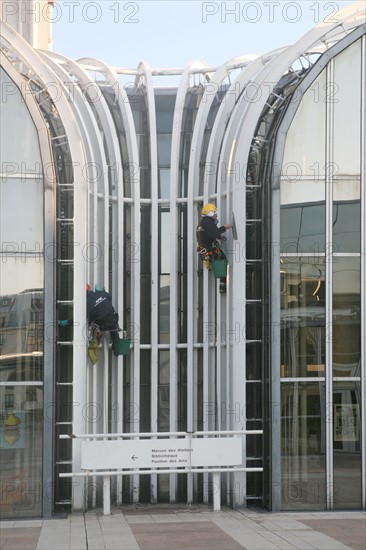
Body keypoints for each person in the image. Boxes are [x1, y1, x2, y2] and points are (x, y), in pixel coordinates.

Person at [196, 203, 232, 292]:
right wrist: (224, 227)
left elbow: (207, 235)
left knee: (219, 262)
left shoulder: (201, 224)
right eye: (215, 213)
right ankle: (223, 286)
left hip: (204, 250)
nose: (216, 215)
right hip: (210, 250)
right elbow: (213, 233)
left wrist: (219, 237)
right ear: (210, 213)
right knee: (223, 261)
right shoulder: (209, 223)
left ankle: (222, 284)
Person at [86, 284, 120, 354]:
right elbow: (109, 297)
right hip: (113, 319)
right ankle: (117, 348)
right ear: (89, 289)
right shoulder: (100, 293)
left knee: (95, 323)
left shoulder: (86, 303)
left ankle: (98, 335)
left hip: (101, 325)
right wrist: (101, 294)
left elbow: (88, 320)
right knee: (113, 329)